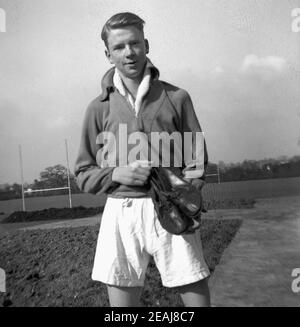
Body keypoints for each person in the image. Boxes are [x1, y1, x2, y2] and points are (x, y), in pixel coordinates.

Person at [74, 12, 211, 307]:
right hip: (121, 213)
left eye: (134, 43)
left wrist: (188, 191)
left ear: (146, 45)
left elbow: (197, 160)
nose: (129, 52)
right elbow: (83, 171)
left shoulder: (177, 97)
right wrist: (115, 174)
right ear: (108, 54)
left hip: (171, 207)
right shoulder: (97, 109)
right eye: (120, 47)